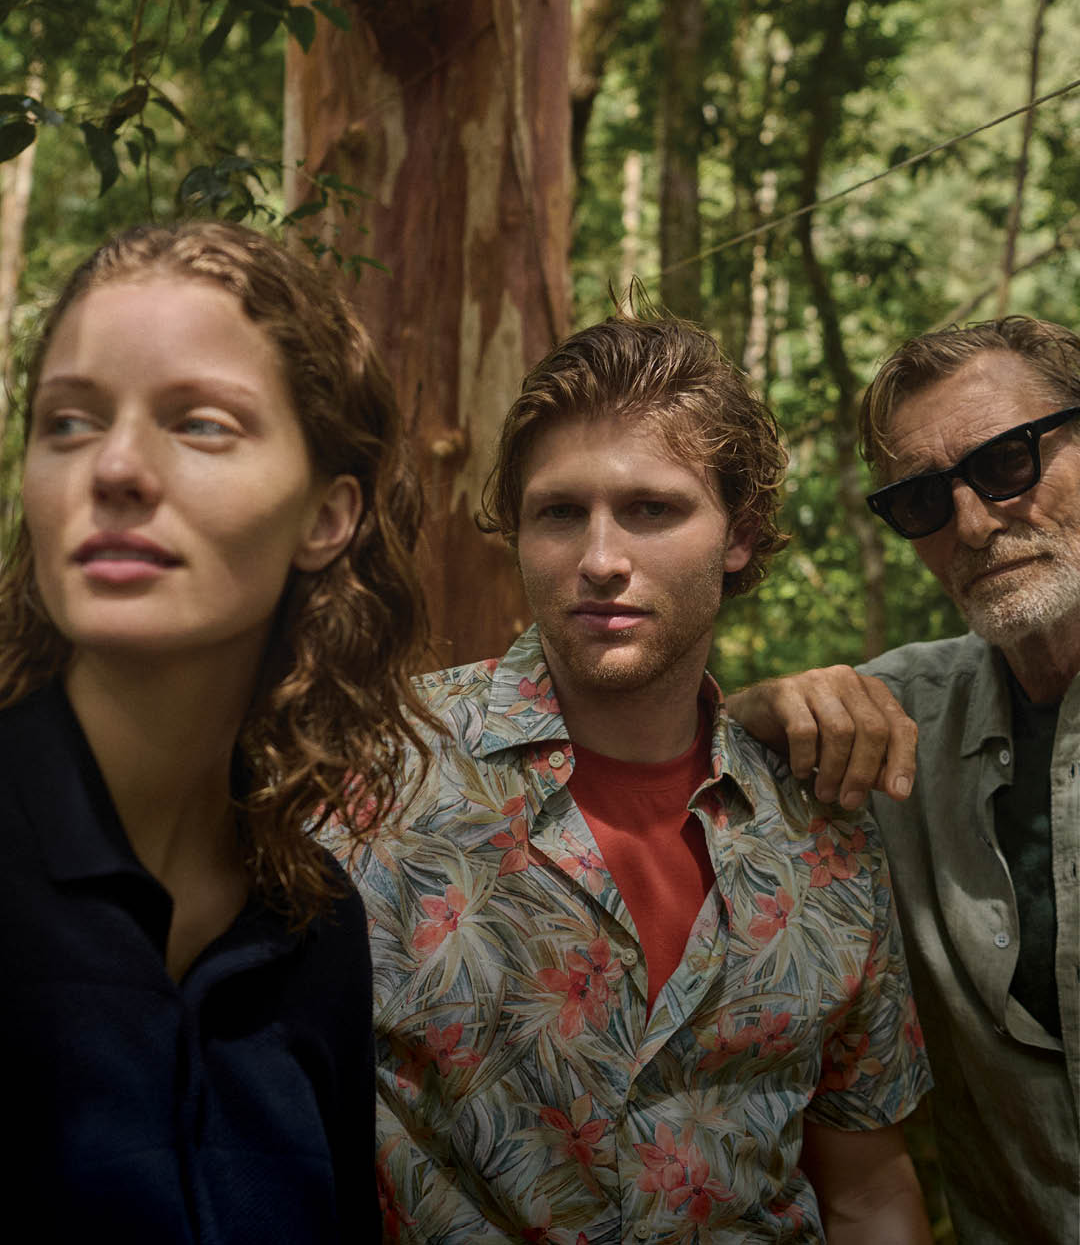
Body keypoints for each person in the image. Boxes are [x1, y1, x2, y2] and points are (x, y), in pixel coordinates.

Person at [325, 310, 934, 1243]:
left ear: (740, 534)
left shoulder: (825, 829)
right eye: (559, 513)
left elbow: (866, 1187)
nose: (601, 560)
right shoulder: (375, 771)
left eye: (653, 509)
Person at [0, 221, 431, 1242]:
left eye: (200, 424)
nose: (115, 468)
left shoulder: (317, 927)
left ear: (328, 517)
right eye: (67, 423)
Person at [727, 316, 1080, 1244]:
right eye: (924, 499)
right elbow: (682, 753)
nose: (972, 523)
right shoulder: (902, 713)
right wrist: (762, 705)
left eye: (1010, 462)